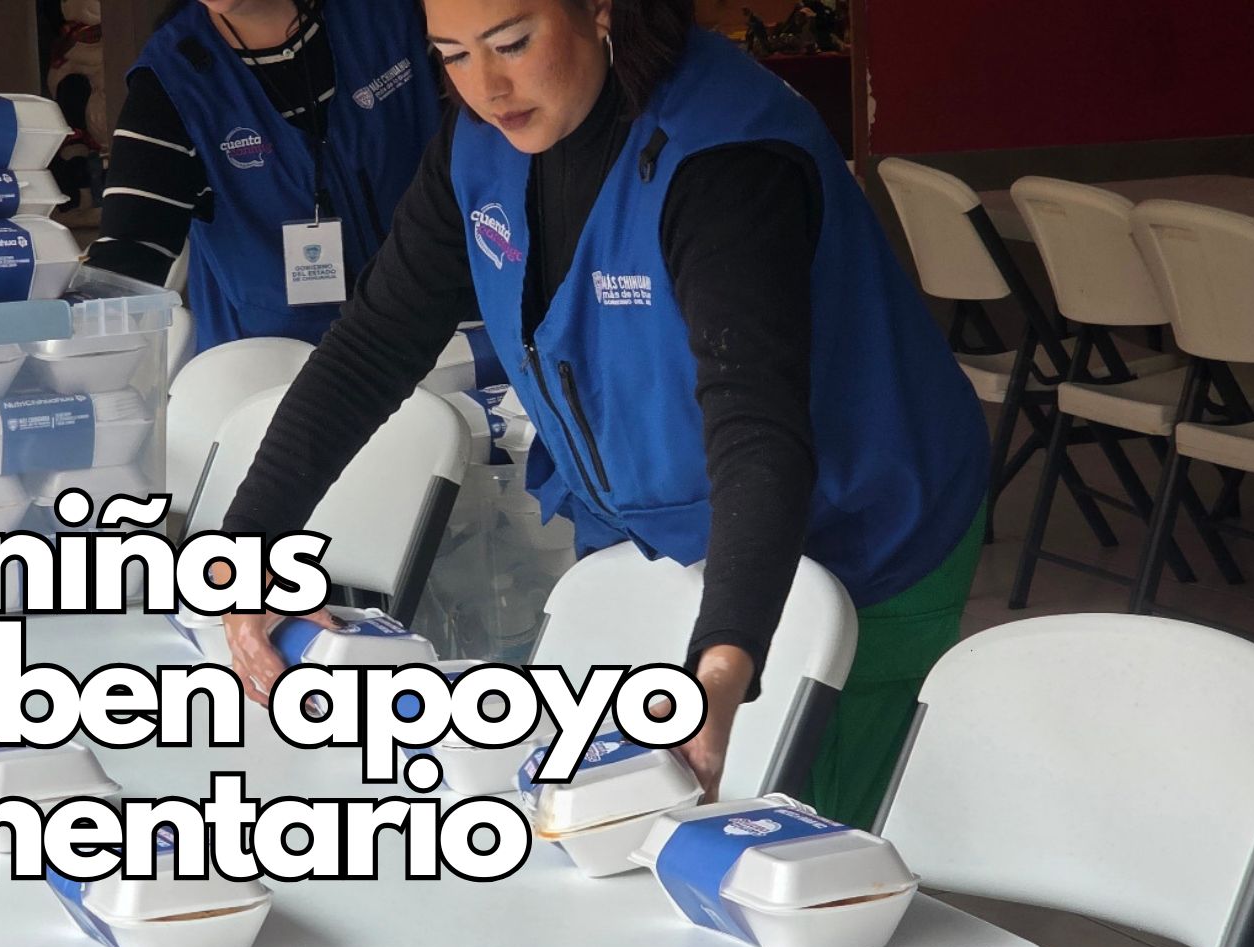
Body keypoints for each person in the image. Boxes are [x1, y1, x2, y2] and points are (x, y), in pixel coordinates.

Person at [216, 0, 989, 828]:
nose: (488, 88)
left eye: (513, 44)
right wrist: (251, 546)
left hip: (854, 527)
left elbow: (755, 425)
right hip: (655, 526)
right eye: (452, 55)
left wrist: (720, 667)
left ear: (599, 8)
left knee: (783, 842)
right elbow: (371, 348)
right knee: (611, 818)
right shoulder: (483, 143)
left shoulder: (722, 154)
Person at [85, 0, 440, 353]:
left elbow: (470, 142)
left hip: (443, 335)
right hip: (275, 369)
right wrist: (70, 334)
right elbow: (124, 260)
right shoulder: (174, 81)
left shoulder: (391, 16)